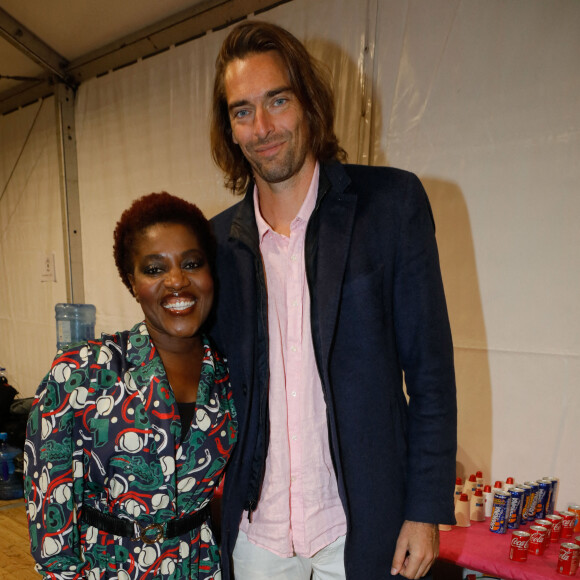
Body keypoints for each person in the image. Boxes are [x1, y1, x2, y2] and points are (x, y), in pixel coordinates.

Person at [208, 20, 457, 580]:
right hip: (257, 537)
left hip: (362, 528)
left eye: (278, 100)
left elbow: (431, 372)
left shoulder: (391, 206)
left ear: (309, 103)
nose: (262, 127)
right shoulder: (218, 242)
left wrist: (425, 510)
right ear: (228, 127)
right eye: (242, 111)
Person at [24, 192, 237, 580]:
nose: (176, 281)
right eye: (154, 269)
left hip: (200, 568)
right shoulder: (80, 374)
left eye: (192, 263)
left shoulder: (227, 379)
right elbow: (49, 511)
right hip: (108, 569)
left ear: (211, 273)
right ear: (132, 282)